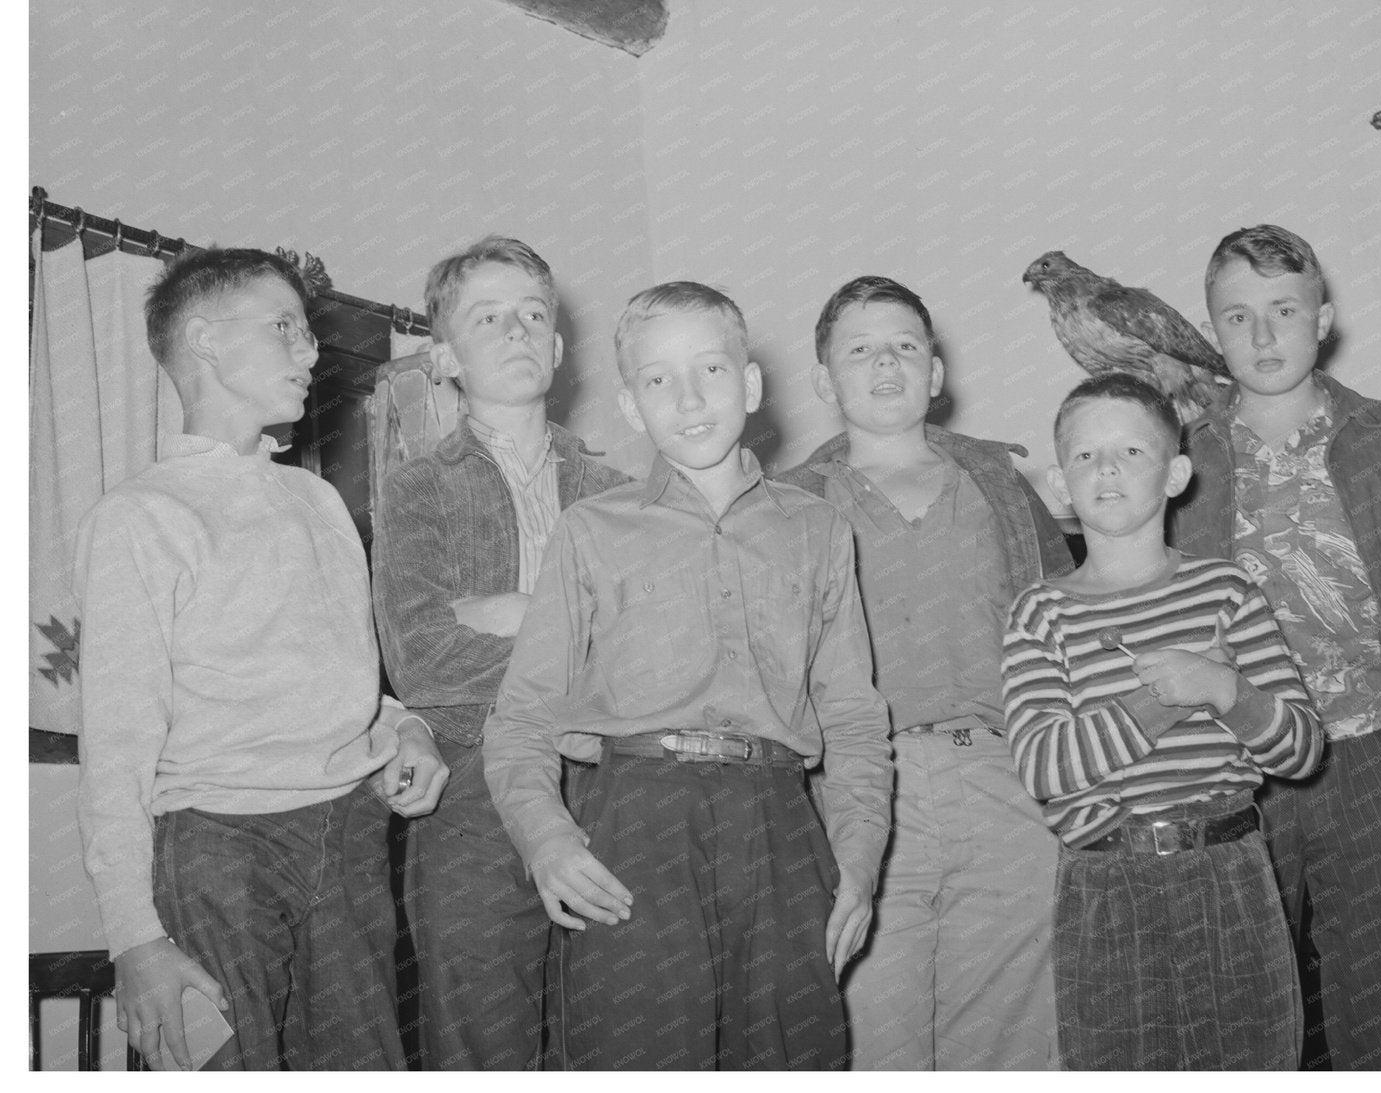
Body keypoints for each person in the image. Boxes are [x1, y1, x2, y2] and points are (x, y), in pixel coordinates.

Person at [484, 281, 893, 1070]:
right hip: (636, 827)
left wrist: (860, 859)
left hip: (780, 829)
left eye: (709, 369)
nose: (688, 396)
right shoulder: (591, 530)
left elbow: (851, 716)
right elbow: (523, 718)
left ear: (749, 384)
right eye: (657, 379)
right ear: (632, 406)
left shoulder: (817, 529)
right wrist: (548, 841)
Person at [73, 247, 447, 1071]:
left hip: (349, 831)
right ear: (204, 341)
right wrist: (135, 936)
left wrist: (408, 727)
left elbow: (349, 679)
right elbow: (118, 746)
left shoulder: (317, 501)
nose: (311, 350)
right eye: (285, 328)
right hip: (219, 848)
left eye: (309, 333)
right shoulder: (139, 517)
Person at [1171, 224, 1381, 1069]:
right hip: (1241, 771)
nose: (1262, 336)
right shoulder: (1184, 461)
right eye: (1237, 317)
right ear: (1213, 330)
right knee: (1246, 1026)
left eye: (1283, 309)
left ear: (1323, 317)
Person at [778, 276, 1073, 1070]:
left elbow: (1070, 625)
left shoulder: (1001, 484)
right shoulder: (787, 505)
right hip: (858, 794)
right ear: (822, 379)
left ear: (936, 373)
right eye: (860, 349)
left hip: (1002, 781)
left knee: (1016, 1045)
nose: (886, 364)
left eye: (906, 346)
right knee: (877, 1043)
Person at [1002, 372, 1324, 1070]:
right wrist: (1161, 700)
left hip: (1228, 871)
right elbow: (1043, 765)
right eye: (1085, 455)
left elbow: (1302, 749)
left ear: (1176, 473)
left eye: (1131, 452)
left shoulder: (1226, 590)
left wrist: (1226, 687)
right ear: (1059, 482)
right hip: (1105, 887)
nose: (1107, 467)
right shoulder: (1041, 613)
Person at [371, 236, 627, 1070]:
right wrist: (572, 634)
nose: (516, 331)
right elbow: (424, 659)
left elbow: (650, 655)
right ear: (444, 355)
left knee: (608, 1032)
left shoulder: (620, 493)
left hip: (605, 781)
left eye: (532, 315)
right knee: (482, 1040)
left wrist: (517, 613)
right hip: (472, 787)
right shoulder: (417, 489)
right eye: (488, 317)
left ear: (556, 345)